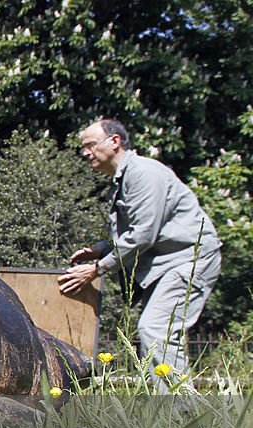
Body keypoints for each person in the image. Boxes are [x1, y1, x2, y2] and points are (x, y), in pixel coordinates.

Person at [58, 118, 221, 391]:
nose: (85, 152)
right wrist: (100, 247)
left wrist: (97, 268)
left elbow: (143, 235)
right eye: (83, 147)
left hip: (189, 259)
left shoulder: (143, 173)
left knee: (156, 330)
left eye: (90, 145)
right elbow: (134, 231)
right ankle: (181, 411)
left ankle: (183, 414)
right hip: (169, 262)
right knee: (157, 333)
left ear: (114, 142)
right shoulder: (122, 179)